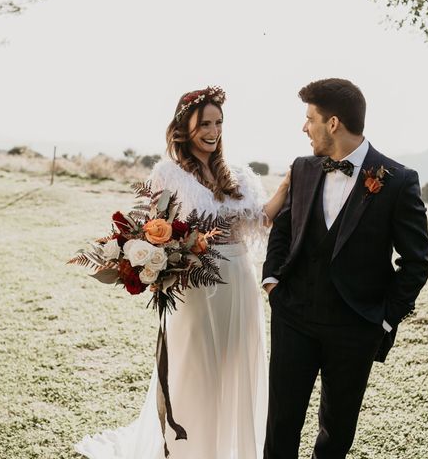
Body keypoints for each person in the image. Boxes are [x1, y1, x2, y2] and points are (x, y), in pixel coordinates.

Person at [75, 86, 290, 459]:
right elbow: (152, 226)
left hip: (239, 279)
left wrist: (287, 185)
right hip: (193, 284)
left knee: (235, 364)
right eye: (204, 123)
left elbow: (262, 219)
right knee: (195, 367)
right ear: (184, 126)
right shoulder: (168, 173)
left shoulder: (237, 175)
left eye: (218, 123)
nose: (213, 130)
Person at [262, 78, 428, 459]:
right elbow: (285, 228)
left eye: (310, 119)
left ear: (333, 123)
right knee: (280, 423)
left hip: (355, 327)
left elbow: (416, 262)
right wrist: (273, 281)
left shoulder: (398, 181)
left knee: (336, 432)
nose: (304, 128)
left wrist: (383, 321)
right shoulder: (302, 168)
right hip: (293, 317)